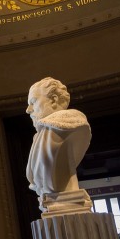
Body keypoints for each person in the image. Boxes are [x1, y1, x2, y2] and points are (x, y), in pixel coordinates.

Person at [26, 77, 91, 210]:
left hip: (66, 204)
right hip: (51, 202)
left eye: (33, 101)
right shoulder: (41, 135)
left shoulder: (68, 126)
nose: (28, 109)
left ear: (54, 100)